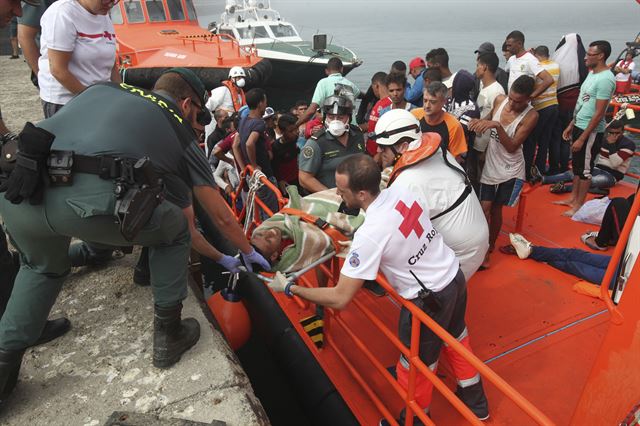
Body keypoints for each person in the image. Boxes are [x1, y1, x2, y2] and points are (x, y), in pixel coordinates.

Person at [0, 68, 270, 407]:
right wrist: (244, 252)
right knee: (170, 230)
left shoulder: (103, 89)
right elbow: (212, 216)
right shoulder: (175, 126)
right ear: (187, 104)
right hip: (86, 202)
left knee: (40, 269)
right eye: (200, 114)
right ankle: (169, 334)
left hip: (19, 192)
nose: (200, 123)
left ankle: (5, 365)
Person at [269, 155, 489, 424]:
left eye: (342, 190)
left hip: (429, 301)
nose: (337, 194)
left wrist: (291, 287)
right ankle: (477, 405)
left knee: (417, 365)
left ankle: (414, 420)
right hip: (453, 275)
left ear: (361, 194)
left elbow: (340, 298)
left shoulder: (370, 233)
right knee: (457, 340)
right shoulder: (404, 190)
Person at [373, 109, 489, 280]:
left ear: (403, 146)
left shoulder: (408, 182)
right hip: (477, 236)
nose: (378, 150)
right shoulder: (440, 153)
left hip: (461, 253)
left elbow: (391, 228)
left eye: (383, 147)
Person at [469, 75, 538, 268]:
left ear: (528, 99)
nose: (512, 105)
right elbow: (488, 119)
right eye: (511, 99)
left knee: (496, 209)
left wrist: (497, 126)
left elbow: (513, 146)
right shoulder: (500, 100)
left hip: (511, 168)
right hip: (491, 164)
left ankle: (489, 247)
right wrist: (476, 123)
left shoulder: (531, 116)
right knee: (484, 208)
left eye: (518, 102)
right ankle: (481, 247)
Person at [554, 40, 616, 217]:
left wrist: (583, 138)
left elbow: (599, 113)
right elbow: (583, 102)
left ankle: (579, 204)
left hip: (590, 131)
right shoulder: (592, 73)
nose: (585, 57)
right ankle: (573, 198)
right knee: (577, 166)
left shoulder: (606, 79)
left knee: (585, 170)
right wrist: (571, 124)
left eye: (589, 54)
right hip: (579, 125)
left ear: (601, 56)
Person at [37, 0, 120, 118]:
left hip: (99, 97)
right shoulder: (62, 13)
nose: (111, 4)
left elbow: (111, 63)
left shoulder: (103, 14)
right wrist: (94, 101)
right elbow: (58, 70)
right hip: (68, 102)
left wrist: (121, 94)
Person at [250, 186, 364, 272]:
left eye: (260, 235)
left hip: (315, 208)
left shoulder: (267, 228)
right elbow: (315, 240)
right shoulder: (293, 255)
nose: (268, 232)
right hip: (327, 227)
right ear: (274, 256)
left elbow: (285, 214)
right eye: (269, 240)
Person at [503, 31, 554, 179]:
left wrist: (531, 96)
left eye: (510, 44)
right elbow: (508, 73)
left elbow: (548, 79)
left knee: (526, 141)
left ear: (519, 43)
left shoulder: (530, 59)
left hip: (523, 107)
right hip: (511, 104)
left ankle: (524, 172)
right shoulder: (512, 60)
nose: (507, 47)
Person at [543, 120, 635, 194]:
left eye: (617, 133)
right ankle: (543, 179)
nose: (614, 135)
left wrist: (611, 145)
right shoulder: (603, 139)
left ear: (622, 132)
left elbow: (615, 164)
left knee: (592, 182)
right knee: (574, 173)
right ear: (608, 132)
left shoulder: (628, 144)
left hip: (612, 175)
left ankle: (564, 188)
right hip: (597, 168)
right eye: (611, 132)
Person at [298, 95, 366, 193]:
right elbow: (304, 179)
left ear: (349, 117)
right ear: (325, 117)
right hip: (331, 202)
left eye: (340, 117)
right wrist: (333, 196)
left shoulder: (357, 135)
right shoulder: (315, 143)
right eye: (331, 117)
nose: (335, 121)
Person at [549, 33, 588, 175]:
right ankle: (564, 166)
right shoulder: (581, 62)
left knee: (555, 138)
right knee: (566, 139)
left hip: (556, 104)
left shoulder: (557, 59)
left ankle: (554, 167)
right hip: (574, 107)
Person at [236, 88, 280, 215]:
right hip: (263, 176)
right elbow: (250, 143)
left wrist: (244, 168)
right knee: (271, 214)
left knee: (259, 213)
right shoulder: (259, 123)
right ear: (260, 103)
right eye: (265, 102)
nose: (266, 105)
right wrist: (254, 166)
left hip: (252, 176)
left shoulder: (243, 120)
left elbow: (235, 145)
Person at [509, 233, 610, 285]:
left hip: (621, 285)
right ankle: (532, 251)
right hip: (623, 265)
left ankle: (533, 252)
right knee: (577, 254)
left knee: (575, 265)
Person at [469, 52, 505, 190]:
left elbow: (497, 120)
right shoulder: (485, 87)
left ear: (484, 67)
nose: (476, 69)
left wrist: (488, 149)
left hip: (486, 145)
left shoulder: (497, 91)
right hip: (479, 142)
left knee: (484, 179)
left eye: (477, 65)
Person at [296, 57, 360, 127]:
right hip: (351, 127)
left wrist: (295, 125)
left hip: (333, 128)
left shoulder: (323, 83)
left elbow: (312, 110)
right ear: (342, 69)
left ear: (326, 71)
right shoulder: (351, 84)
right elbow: (357, 94)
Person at [412, 82, 468, 162]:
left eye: (433, 102)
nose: (427, 105)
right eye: (425, 100)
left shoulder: (454, 125)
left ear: (444, 102)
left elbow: (456, 159)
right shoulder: (414, 115)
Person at [366, 73, 416, 153]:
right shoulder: (383, 112)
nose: (395, 94)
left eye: (398, 90)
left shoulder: (414, 111)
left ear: (405, 89)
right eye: (391, 91)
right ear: (388, 91)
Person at [531, 45, 560, 174]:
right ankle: (540, 167)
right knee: (545, 140)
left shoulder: (539, 68)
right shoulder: (555, 65)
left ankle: (530, 167)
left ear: (537, 56)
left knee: (533, 139)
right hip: (554, 104)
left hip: (541, 106)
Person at [271, 113, 300, 190]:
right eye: (291, 131)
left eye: (296, 129)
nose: (295, 132)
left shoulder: (298, 140)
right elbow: (274, 167)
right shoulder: (275, 147)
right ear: (282, 131)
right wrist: (280, 181)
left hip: (300, 180)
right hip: (287, 185)